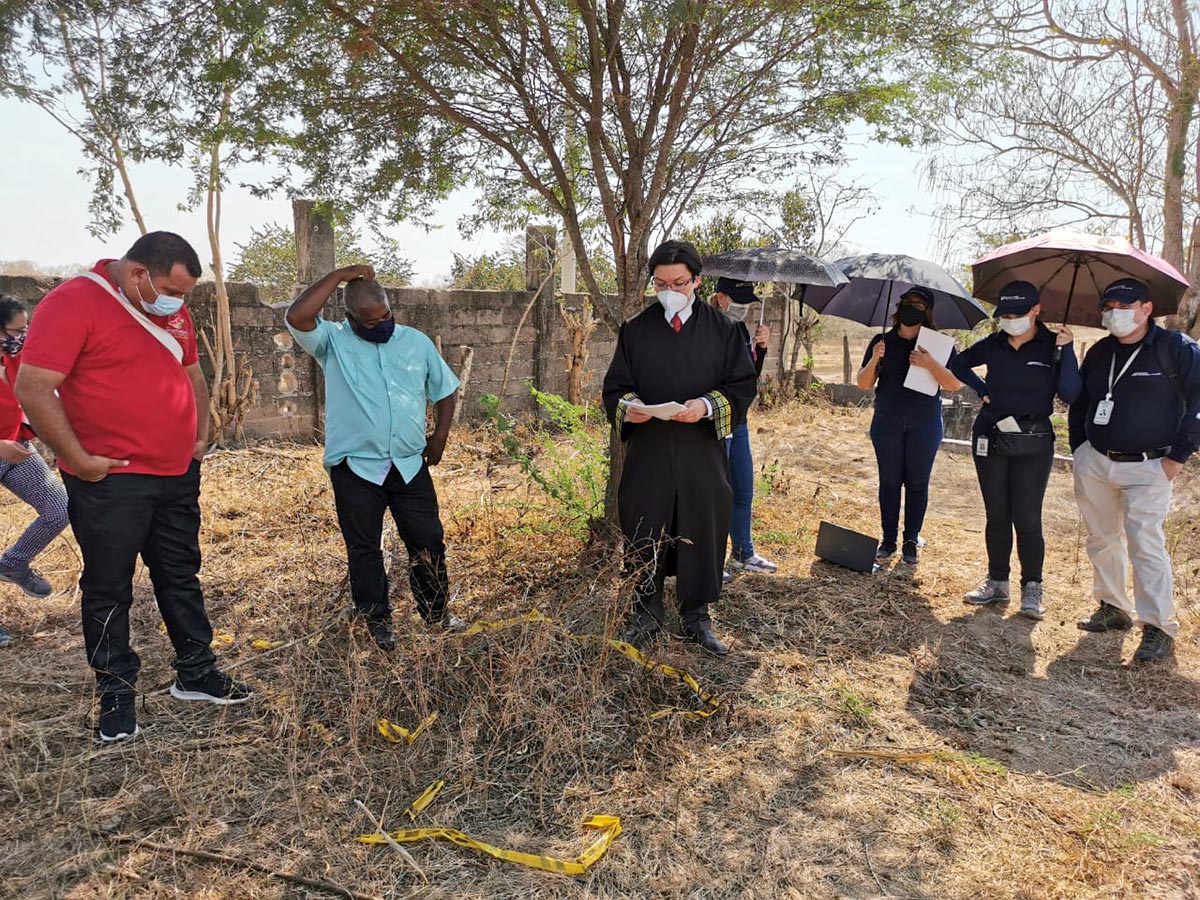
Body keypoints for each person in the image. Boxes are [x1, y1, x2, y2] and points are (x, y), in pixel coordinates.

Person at [16, 232, 252, 743]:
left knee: (181, 574)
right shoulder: (75, 301)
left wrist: (199, 434)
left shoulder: (171, 311)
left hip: (175, 475)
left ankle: (196, 671)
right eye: (173, 289)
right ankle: (117, 692)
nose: (179, 302)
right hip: (111, 480)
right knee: (108, 586)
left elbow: (191, 372)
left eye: (187, 294)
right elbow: (32, 387)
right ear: (139, 273)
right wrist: (78, 459)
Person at [286, 265, 461, 652]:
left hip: (409, 464)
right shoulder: (332, 341)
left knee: (428, 540)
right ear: (350, 319)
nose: (380, 323)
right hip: (357, 468)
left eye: (385, 315)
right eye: (370, 320)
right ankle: (375, 618)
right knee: (364, 547)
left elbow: (445, 390)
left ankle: (436, 614)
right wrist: (340, 274)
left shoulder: (415, 343)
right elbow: (297, 315)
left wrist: (440, 436)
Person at [602, 240, 758, 657]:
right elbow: (615, 388)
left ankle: (697, 616)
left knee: (701, 526)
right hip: (650, 451)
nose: (669, 290)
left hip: (700, 451)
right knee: (643, 524)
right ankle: (645, 611)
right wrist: (627, 408)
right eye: (660, 283)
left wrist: (706, 406)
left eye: (679, 282)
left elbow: (742, 387)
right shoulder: (635, 330)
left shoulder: (725, 330)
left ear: (697, 281)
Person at [1068, 277, 1200, 664]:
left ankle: (1158, 626)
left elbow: (1198, 401)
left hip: (1151, 465)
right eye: (1108, 308)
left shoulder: (1176, 348)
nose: (1115, 314)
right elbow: (1083, 401)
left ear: (1146, 309)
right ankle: (1113, 607)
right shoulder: (1099, 352)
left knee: (1145, 542)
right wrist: (1080, 447)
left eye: (1124, 306)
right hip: (1097, 460)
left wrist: (1177, 457)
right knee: (1101, 537)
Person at [950, 281, 1081, 618]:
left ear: (1037, 310)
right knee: (997, 513)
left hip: (1034, 440)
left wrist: (1068, 350)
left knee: (1026, 516)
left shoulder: (1053, 344)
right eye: (1004, 314)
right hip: (990, 435)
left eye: (1017, 313)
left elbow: (1069, 392)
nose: (1010, 320)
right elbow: (958, 364)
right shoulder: (994, 344)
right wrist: (982, 390)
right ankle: (997, 582)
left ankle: (1032, 588)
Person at [856, 286, 962, 565]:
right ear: (898, 306)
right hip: (887, 421)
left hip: (924, 422)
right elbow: (864, 383)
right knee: (889, 481)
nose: (911, 308)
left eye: (918, 304)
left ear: (926, 312)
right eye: (907, 302)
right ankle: (888, 540)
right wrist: (876, 358)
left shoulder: (940, 344)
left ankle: (911, 540)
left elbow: (953, 384)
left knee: (917, 482)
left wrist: (930, 364)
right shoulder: (882, 341)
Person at [0, 295, 70, 647]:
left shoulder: (17, 358)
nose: (22, 336)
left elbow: (33, 398)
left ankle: (13, 563)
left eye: (26, 329)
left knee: (59, 508)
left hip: (16, 448)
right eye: (16, 330)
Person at [709, 277, 777, 577]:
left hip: (740, 420)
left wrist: (760, 350)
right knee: (714, 492)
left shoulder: (739, 329)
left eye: (747, 302)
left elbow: (749, 381)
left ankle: (742, 553)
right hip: (713, 420)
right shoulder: (704, 327)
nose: (744, 308)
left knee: (743, 487)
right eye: (738, 300)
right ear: (721, 297)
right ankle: (708, 558)